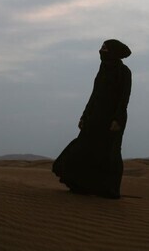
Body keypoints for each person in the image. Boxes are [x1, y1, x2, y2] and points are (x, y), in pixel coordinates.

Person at [52, 39, 132, 199]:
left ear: (114, 52)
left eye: (105, 48)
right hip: (95, 117)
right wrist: (84, 115)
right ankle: (80, 185)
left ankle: (109, 190)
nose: (101, 51)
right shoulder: (102, 69)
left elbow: (124, 98)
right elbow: (94, 95)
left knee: (110, 153)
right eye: (102, 48)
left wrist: (117, 120)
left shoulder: (124, 72)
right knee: (84, 148)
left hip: (113, 119)